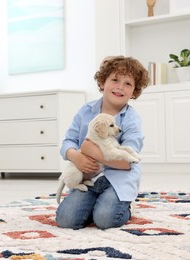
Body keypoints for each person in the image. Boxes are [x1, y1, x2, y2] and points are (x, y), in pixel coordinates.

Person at [56, 55, 150, 230]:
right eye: (115, 80)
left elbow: (128, 161)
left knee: (105, 220)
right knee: (66, 220)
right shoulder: (86, 111)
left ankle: (126, 205)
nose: (120, 87)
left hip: (118, 179)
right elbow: (68, 141)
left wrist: (92, 152)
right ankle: (95, 203)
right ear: (103, 82)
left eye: (128, 83)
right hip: (89, 179)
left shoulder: (131, 119)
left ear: (134, 90)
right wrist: (75, 156)